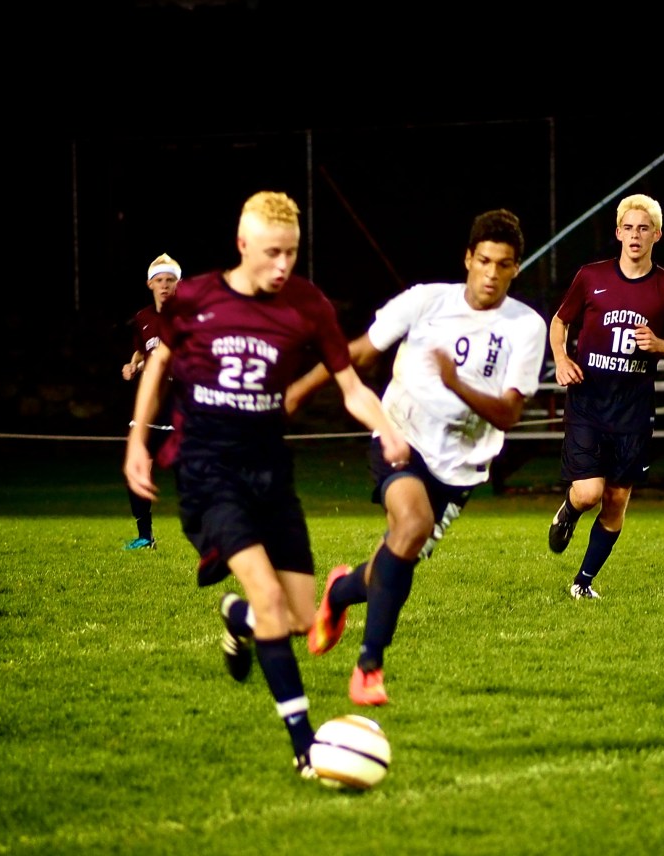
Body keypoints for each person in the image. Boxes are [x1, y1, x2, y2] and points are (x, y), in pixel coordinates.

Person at [123, 191, 410, 779]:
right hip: (207, 469)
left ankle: (240, 618)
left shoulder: (307, 305)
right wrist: (136, 443)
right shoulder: (196, 298)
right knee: (269, 595)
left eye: (292, 253)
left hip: (271, 473)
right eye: (272, 253)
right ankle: (305, 748)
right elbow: (158, 366)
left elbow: (350, 387)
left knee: (300, 618)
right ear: (242, 244)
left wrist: (386, 428)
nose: (283, 265)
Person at [286, 208, 547, 706]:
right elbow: (359, 352)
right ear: (468, 258)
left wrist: (455, 382)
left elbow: (509, 414)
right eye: (484, 261)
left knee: (399, 555)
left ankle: (339, 593)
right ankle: (369, 668)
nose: (491, 274)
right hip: (400, 437)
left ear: (516, 268)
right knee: (411, 525)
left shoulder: (526, 327)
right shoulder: (426, 301)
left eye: (503, 264)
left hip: (462, 468)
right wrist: (300, 388)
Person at [547, 193, 664, 599]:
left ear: (657, 235)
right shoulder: (591, 277)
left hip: (633, 411)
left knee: (615, 500)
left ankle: (582, 583)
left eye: (643, 228)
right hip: (588, 400)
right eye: (629, 227)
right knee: (589, 493)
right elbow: (560, 322)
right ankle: (570, 509)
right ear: (618, 232)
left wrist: (660, 345)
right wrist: (561, 358)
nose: (635, 235)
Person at [120, 253, 181, 551]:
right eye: (160, 280)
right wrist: (132, 365)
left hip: (181, 405)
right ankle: (145, 537)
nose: (165, 285)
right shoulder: (143, 318)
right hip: (151, 407)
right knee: (137, 469)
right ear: (150, 284)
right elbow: (143, 352)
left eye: (170, 280)